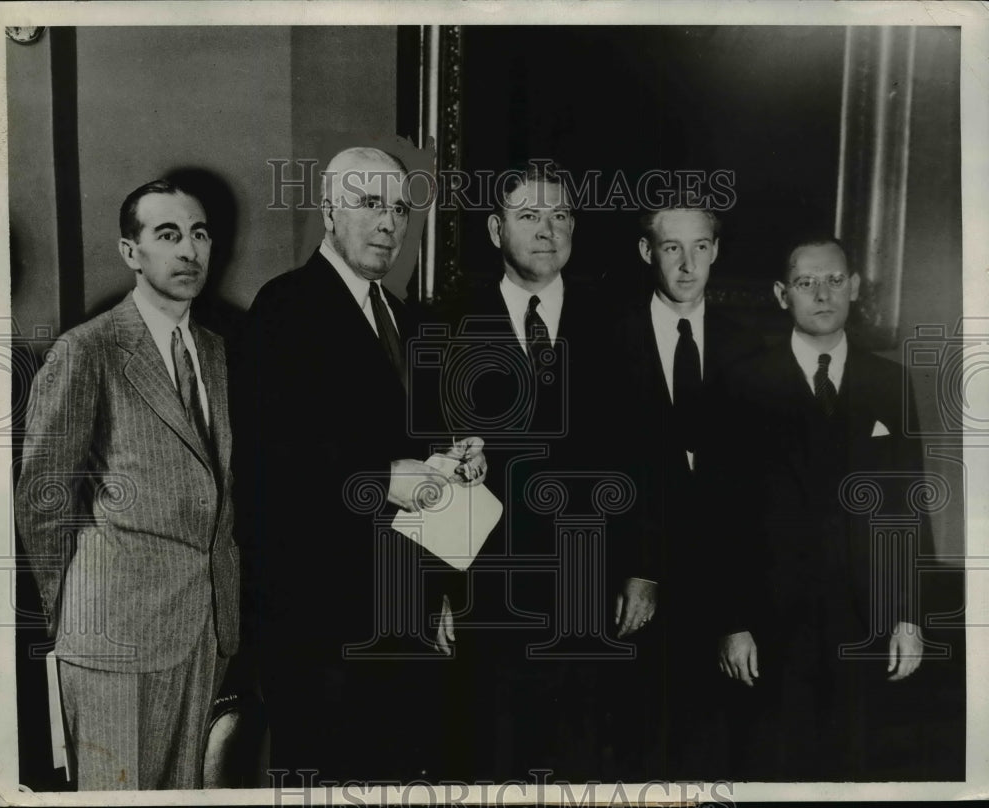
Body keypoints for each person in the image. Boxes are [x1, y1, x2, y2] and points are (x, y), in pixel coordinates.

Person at [233, 146, 485, 784]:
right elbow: (270, 468)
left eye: (400, 209)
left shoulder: (402, 316)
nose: (389, 224)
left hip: (400, 611)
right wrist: (384, 478)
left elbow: (413, 451)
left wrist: (454, 463)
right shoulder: (283, 308)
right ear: (328, 211)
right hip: (316, 618)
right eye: (370, 204)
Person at [14, 180, 240, 790]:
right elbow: (42, 499)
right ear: (130, 252)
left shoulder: (216, 352)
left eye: (199, 234)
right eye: (167, 235)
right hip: (110, 638)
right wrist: (76, 613)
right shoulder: (88, 350)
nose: (188, 250)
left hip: (202, 631)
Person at [712, 235, 927, 780]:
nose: (822, 294)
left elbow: (908, 506)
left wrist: (907, 616)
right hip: (771, 622)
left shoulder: (889, 382)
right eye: (806, 283)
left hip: (865, 621)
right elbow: (723, 518)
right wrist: (734, 623)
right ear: (783, 295)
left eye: (834, 280)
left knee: (852, 769)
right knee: (771, 766)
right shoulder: (744, 382)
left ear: (854, 287)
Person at [440, 159, 624, 781]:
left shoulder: (617, 323)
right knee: (488, 760)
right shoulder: (446, 326)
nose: (547, 230)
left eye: (560, 216)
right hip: (488, 594)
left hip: (593, 589)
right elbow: (429, 469)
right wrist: (435, 589)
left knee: (583, 763)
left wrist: (646, 569)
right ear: (495, 231)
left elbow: (646, 453)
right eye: (528, 216)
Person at [608, 206, 762, 778]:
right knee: (636, 758)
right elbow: (600, 476)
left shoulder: (750, 351)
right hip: (631, 594)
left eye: (701, 246)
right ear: (648, 253)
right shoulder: (605, 339)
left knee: (711, 759)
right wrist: (637, 566)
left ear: (716, 251)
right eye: (672, 248)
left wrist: (735, 610)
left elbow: (755, 497)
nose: (688, 262)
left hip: (720, 597)